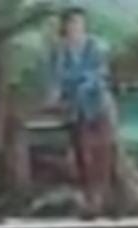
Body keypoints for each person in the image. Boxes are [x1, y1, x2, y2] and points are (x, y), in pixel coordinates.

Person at [49, 6, 117, 214]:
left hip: (99, 105)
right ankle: (90, 200)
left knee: (103, 153)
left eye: (79, 23)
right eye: (71, 23)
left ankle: (105, 199)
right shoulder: (60, 51)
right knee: (82, 155)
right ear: (65, 27)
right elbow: (58, 79)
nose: (76, 27)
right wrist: (60, 93)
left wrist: (79, 83)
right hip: (76, 110)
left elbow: (99, 74)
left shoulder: (95, 46)